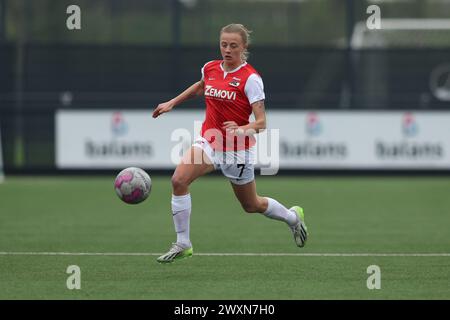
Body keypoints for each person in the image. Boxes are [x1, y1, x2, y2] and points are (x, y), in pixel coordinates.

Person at [152, 23, 308, 263]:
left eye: (233, 45)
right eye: (224, 44)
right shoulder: (210, 68)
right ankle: (183, 243)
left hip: (238, 150)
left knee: (251, 205)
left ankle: (292, 218)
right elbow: (202, 86)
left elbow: (262, 123)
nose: (227, 50)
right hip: (209, 140)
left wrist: (241, 129)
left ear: (243, 47)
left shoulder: (251, 79)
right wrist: (172, 102)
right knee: (179, 180)